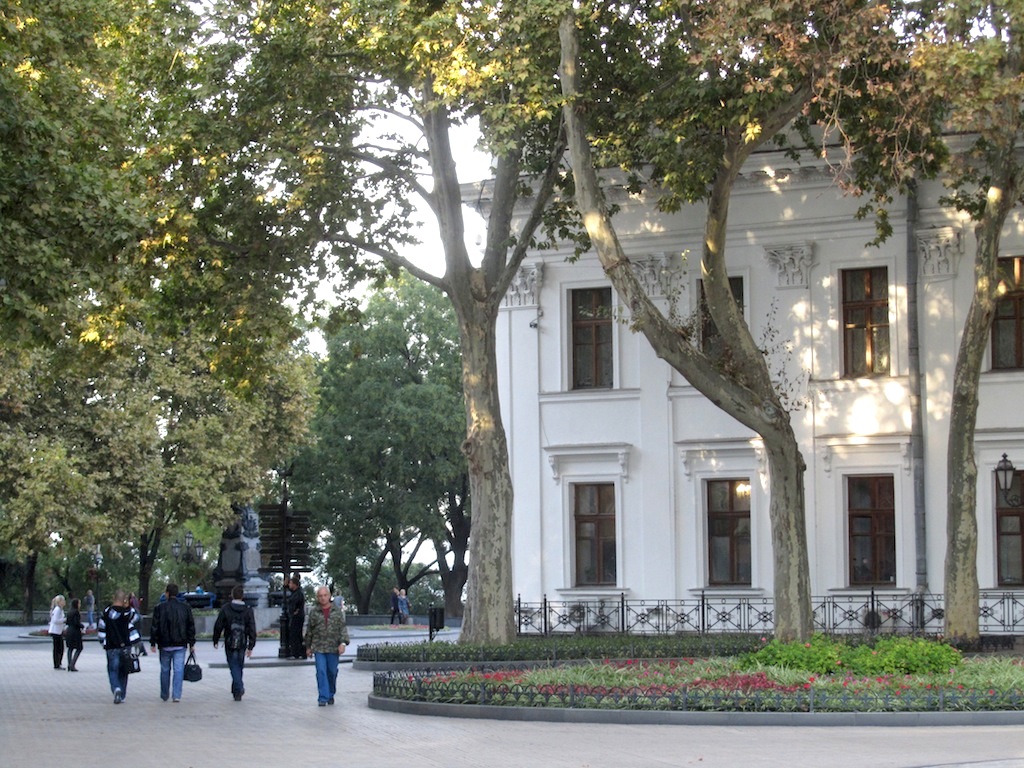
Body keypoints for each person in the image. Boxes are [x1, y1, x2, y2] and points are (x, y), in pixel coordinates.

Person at [149, 582, 196, 702]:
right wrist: (191, 643)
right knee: (178, 670)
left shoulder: (159, 608)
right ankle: (176, 695)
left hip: (165, 644)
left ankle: (165, 694)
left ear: (167, 594)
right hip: (180, 643)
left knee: (165, 669)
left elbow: (155, 626)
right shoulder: (185, 608)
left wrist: (153, 642)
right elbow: (190, 626)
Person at [303, 585, 349, 706]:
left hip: (333, 647)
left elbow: (342, 629)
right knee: (321, 671)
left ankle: (331, 693)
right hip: (319, 647)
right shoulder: (314, 612)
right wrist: (308, 647)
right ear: (317, 598)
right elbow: (310, 631)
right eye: (320, 596)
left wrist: (343, 643)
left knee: (332, 671)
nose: (323, 598)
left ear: (329, 596)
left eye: (325, 595)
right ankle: (323, 697)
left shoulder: (337, 612)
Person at [212, 585, 256, 701]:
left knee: (233, 666)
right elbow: (252, 627)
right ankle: (237, 691)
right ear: (242, 596)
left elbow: (218, 625)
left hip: (229, 641)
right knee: (239, 666)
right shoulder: (248, 609)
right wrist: (251, 645)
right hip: (242, 641)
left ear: (232, 595)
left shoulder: (226, 608)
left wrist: (215, 639)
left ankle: (239, 687)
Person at [98, 589, 141, 704]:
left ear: (114, 598)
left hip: (111, 646)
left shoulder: (106, 612)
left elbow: (101, 630)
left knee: (113, 670)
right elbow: (137, 617)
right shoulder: (128, 613)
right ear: (124, 600)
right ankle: (122, 694)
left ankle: (116, 688)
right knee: (124, 670)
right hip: (125, 646)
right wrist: (128, 606)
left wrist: (103, 643)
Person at [285, 575, 305, 659]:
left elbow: (295, 604)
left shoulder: (298, 593)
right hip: (296, 616)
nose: (289, 585)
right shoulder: (296, 592)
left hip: (297, 617)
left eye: (290, 583)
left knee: (295, 635)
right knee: (296, 635)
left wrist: (294, 612)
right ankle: (299, 652)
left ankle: (296, 653)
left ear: (294, 584)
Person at [65, 597, 85, 672]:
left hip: (69, 631)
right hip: (75, 632)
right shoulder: (76, 612)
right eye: (79, 603)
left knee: (70, 648)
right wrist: (82, 626)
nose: (80, 605)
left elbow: (67, 622)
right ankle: (72, 664)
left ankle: (69, 664)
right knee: (79, 648)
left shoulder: (69, 611)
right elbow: (76, 623)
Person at [48, 595, 66, 670]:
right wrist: (64, 620)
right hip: (55, 631)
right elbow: (55, 620)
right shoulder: (58, 609)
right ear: (60, 602)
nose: (64, 602)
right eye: (63, 601)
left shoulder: (60, 609)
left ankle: (58, 663)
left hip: (58, 631)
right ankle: (57, 664)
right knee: (58, 648)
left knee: (60, 648)